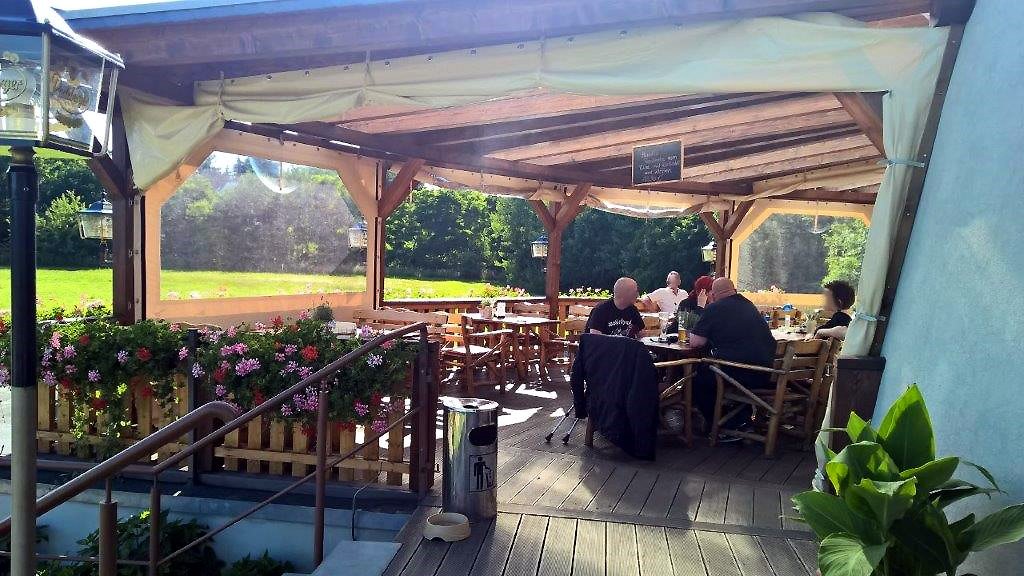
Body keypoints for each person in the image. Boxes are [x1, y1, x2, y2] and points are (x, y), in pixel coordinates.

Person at [688, 278, 776, 439]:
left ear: (713, 295)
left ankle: (722, 426)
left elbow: (696, 342)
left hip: (741, 374)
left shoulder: (715, 308)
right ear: (734, 290)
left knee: (699, 377)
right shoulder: (748, 305)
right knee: (717, 370)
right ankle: (742, 420)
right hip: (766, 374)